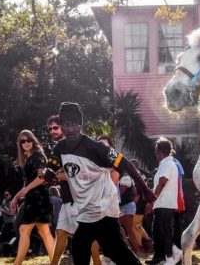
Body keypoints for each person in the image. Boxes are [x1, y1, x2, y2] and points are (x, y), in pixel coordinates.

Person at [48, 102, 156, 265]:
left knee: (111, 250)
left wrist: (146, 190)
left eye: (73, 124)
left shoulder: (95, 148)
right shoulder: (60, 147)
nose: (69, 129)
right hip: (86, 210)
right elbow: (52, 165)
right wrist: (49, 173)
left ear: (80, 125)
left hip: (103, 207)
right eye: (64, 124)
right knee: (83, 248)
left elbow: (125, 163)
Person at [48, 115, 102, 265]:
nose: (53, 131)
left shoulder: (82, 146)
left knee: (90, 238)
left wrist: (57, 175)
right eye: (50, 128)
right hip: (67, 200)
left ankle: (98, 262)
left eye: (56, 127)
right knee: (61, 233)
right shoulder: (60, 148)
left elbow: (79, 174)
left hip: (82, 200)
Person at [10, 129, 55, 265]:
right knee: (44, 232)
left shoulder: (37, 156)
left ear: (33, 141)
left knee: (25, 229)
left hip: (39, 198)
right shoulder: (28, 158)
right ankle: (55, 261)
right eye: (23, 141)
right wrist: (17, 196)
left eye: (28, 140)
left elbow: (42, 178)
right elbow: (28, 181)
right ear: (20, 144)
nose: (26, 143)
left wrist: (25, 190)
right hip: (33, 198)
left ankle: (17, 263)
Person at [145, 137, 182, 265]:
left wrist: (151, 202)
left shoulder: (167, 164)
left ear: (159, 151)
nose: (155, 153)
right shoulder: (165, 163)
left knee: (165, 231)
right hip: (161, 203)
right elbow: (158, 185)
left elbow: (162, 183)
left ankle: (171, 257)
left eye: (156, 150)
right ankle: (160, 256)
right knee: (158, 231)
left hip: (165, 203)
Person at [130, 159, 154, 254]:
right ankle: (148, 241)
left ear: (133, 166)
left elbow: (138, 192)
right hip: (142, 203)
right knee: (138, 225)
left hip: (138, 203)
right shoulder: (141, 175)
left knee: (135, 225)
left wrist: (133, 203)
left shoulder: (136, 175)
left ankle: (139, 248)